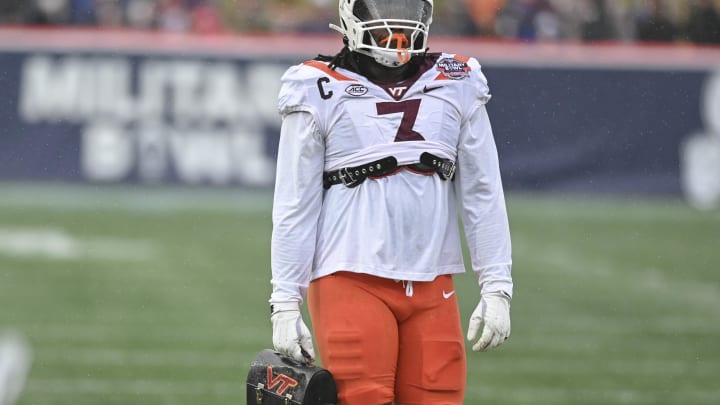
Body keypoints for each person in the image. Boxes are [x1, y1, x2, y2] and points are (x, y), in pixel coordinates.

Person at [269, 0, 513, 403]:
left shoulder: (458, 78)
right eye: (383, 4)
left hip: (434, 282)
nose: (395, 18)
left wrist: (497, 287)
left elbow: (482, 191)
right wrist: (284, 302)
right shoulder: (316, 85)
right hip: (351, 278)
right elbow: (295, 203)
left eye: (405, 5)